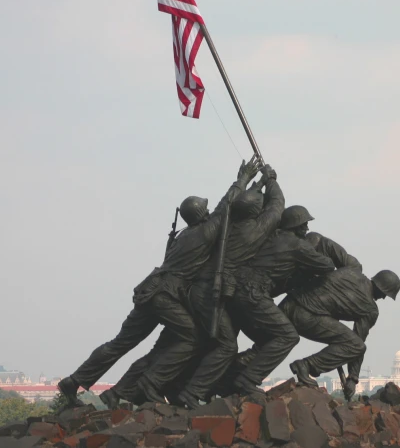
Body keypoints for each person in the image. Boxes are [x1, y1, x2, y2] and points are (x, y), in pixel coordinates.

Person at [57, 158, 259, 407]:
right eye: (205, 210)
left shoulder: (182, 236)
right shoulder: (205, 232)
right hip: (166, 295)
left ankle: (74, 380)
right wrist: (243, 179)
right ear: (201, 214)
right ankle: (150, 384)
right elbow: (226, 206)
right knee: (192, 338)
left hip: (149, 290)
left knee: (120, 343)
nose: (208, 212)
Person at [175, 164, 284, 409]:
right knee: (226, 345)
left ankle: (204, 387)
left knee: (217, 341)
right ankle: (192, 392)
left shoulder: (223, 224)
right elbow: (276, 208)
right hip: (209, 293)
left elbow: (230, 203)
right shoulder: (253, 231)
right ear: (256, 212)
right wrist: (271, 180)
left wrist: (250, 183)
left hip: (202, 290)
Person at [226, 205, 338, 396]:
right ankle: (247, 380)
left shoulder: (271, 236)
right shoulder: (297, 245)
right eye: (304, 225)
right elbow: (327, 265)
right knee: (288, 337)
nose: (307, 229)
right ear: (296, 226)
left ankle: (227, 376)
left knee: (267, 339)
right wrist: (317, 249)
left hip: (236, 290)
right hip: (254, 293)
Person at [279, 268, 400, 401]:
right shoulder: (370, 309)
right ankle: (306, 365)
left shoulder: (350, 271)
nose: (383, 298)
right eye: (385, 294)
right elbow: (358, 344)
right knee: (356, 345)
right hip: (305, 315)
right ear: (381, 288)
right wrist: (353, 378)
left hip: (288, 303)